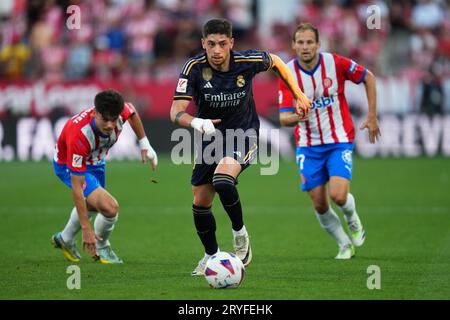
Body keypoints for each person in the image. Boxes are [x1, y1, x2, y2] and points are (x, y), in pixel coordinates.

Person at [169, 18, 311, 275]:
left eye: (222, 43)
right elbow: (176, 112)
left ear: (231, 43)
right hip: (209, 138)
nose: (216, 50)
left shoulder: (246, 61)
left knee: (223, 180)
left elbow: (276, 61)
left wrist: (298, 94)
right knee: (200, 202)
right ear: (203, 43)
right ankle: (211, 257)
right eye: (210, 44)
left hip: (243, 134)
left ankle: (240, 235)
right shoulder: (193, 67)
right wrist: (196, 122)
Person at [278, 23, 381, 259]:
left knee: (339, 196)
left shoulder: (336, 63)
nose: (305, 47)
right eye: (300, 42)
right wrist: (297, 116)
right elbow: (284, 118)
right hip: (308, 146)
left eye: (309, 42)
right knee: (320, 205)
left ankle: (352, 219)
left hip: (339, 140)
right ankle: (344, 244)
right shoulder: (286, 73)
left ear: (317, 44)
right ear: (294, 45)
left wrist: (372, 116)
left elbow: (370, 78)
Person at [51, 89, 158, 264]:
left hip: (96, 160)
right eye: (105, 120)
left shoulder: (119, 111)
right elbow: (77, 188)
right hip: (69, 165)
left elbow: (132, 113)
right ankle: (102, 247)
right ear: (95, 113)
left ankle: (65, 238)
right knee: (110, 208)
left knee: (93, 205)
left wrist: (144, 143)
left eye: (114, 120)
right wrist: (86, 229)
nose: (110, 125)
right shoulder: (79, 135)